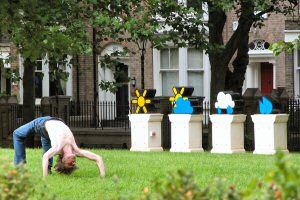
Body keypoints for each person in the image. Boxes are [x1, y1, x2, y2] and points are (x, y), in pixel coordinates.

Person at [13, 116, 106, 177]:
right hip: (57, 120)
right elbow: (99, 158)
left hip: (42, 123)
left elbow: (45, 157)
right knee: (46, 141)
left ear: (63, 160)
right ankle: (48, 171)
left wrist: (44, 179)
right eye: (74, 164)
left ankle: (19, 169)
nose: (74, 163)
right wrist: (103, 176)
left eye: (70, 164)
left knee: (17, 134)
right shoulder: (77, 150)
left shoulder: (57, 148)